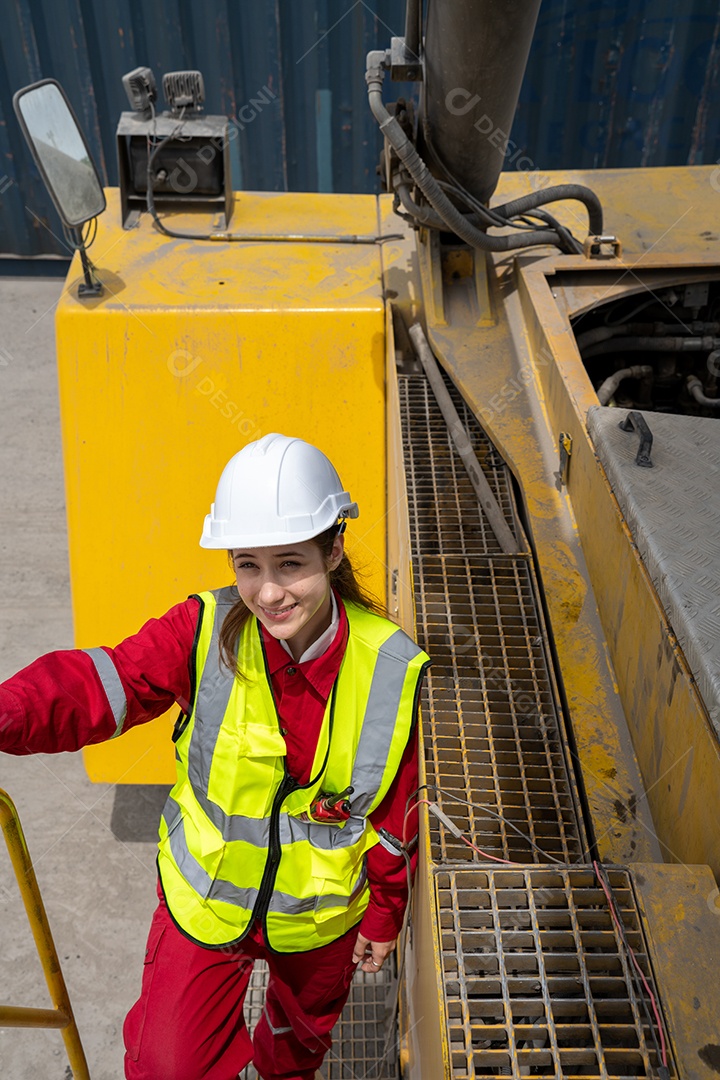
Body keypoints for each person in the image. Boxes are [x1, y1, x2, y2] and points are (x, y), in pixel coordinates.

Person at [0, 432, 430, 1080]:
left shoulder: (390, 669)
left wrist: (384, 913)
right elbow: (96, 686)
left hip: (317, 925)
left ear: (334, 548)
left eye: (291, 563)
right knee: (166, 1068)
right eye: (247, 564)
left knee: (296, 1051)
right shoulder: (201, 632)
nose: (268, 593)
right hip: (204, 908)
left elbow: (396, 817)